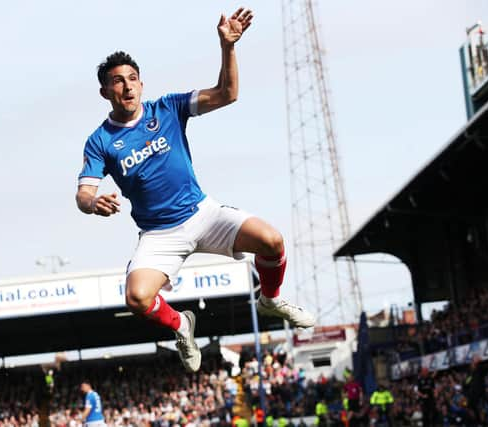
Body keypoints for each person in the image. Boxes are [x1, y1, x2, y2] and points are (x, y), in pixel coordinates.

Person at [75, 8, 315, 372]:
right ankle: (181, 324)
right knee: (137, 297)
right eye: (118, 81)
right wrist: (94, 203)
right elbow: (83, 194)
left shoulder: (168, 108)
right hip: (160, 234)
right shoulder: (100, 141)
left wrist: (227, 47)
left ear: (141, 83)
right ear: (104, 91)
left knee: (272, 241)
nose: (127, 86)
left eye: (133, 78)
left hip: (203, 215)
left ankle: (270, 299)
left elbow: (227, 93)